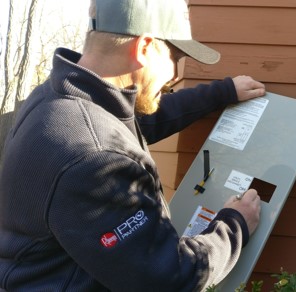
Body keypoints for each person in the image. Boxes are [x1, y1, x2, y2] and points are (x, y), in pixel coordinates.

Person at [0, 0, 265, 290]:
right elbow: (168, 278)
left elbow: (136, 121)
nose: (175, 75)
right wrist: (234, 224)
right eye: (175, 58)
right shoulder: (94, 157)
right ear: (144, 48)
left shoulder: (56, 100)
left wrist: (222, 92)